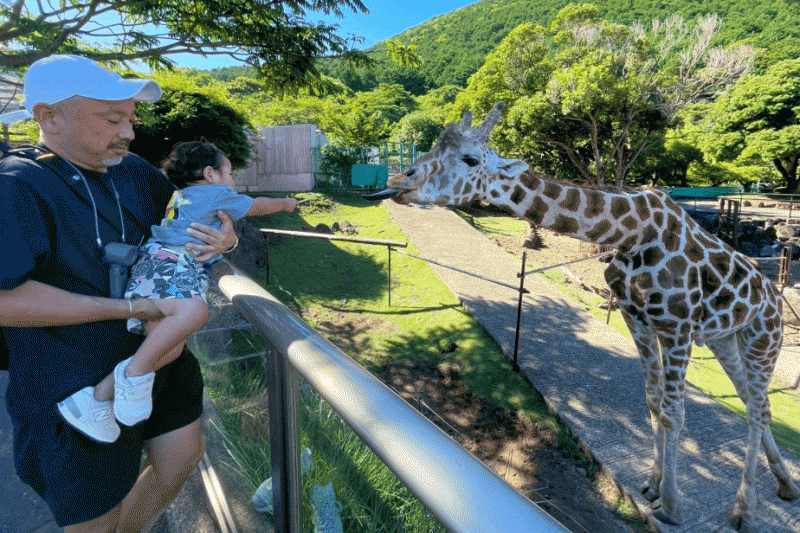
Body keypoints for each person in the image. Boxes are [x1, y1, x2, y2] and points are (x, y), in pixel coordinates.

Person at [0, 54, 238, 532]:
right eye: (112, 119)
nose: (129, 133)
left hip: (161, 360)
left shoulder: (134, 172)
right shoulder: (16, 187)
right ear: (49, 117)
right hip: (73, 388)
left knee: (182, 458)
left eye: (130, 118)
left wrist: (224, 239)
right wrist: (130, 307)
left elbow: (190, 221)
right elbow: (6, 302)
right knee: (94, 516)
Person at [56, 140, 298, 443]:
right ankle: (134, 377)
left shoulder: (182, 196)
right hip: (172, 266)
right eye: (231, 173)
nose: (233, 181)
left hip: (156, 266)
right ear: (210, 174)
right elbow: (256, 205)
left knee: (168, 348)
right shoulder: (216, 193)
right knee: (195, 311)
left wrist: (228, 242)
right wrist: (287, 203)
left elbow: (222, 236)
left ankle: (96, 398)